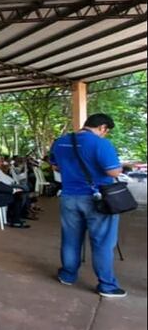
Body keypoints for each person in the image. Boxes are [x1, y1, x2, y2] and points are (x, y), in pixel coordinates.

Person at [51, 114, 127, 298]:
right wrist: (122, 167)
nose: (105, 134)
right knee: (102, 242)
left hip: (69, 197)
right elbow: (113, 171)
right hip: (97, 198)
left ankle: (68, 275)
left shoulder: (60, 142)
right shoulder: (101, 144)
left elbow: (55, 167)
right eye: (106, 131)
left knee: (70, 239)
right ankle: (107, 286)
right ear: (102, 127)